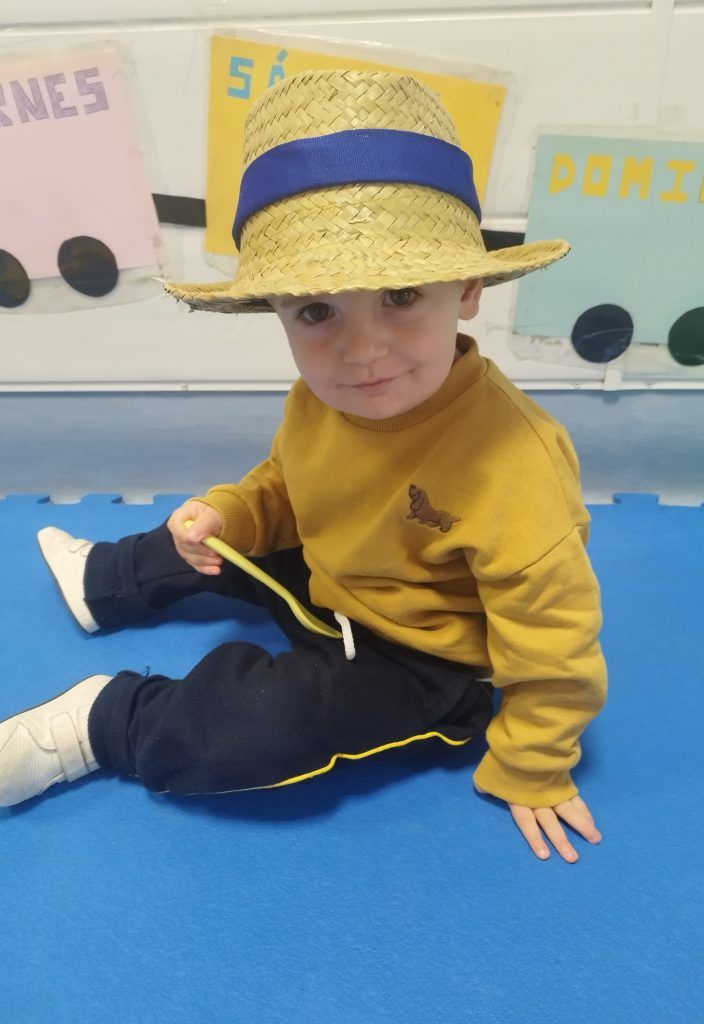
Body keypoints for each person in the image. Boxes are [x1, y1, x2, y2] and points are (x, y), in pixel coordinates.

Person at [0, 69, 607, 863]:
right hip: (329, 570)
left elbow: (554, 639)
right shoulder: (323, 399)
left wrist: (534, 761)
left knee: (259, 732)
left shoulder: (515, 462)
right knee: (215, 531)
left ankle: (105, 719)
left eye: (400, 295)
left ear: (467, 288)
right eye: (317, 311)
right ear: (279, 312)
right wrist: (229, 514)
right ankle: (106, 578)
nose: (362, 351)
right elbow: (287, 486)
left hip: (417, 655)